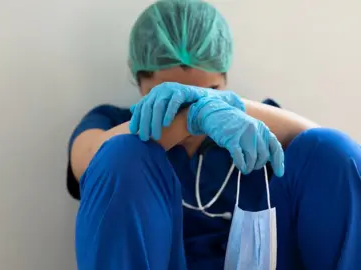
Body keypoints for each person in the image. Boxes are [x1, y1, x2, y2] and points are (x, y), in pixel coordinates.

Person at [66, 0, 361, 269]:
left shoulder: (248, 127)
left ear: (225, 78)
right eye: (170, 97)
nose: (190, 102)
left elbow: (336, 161)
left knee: (331, 150)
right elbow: (86, 162)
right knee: (120, 154)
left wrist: (226, 106)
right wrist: (187, 119)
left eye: (208, 91)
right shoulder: (111, 122)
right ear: (138, 79)